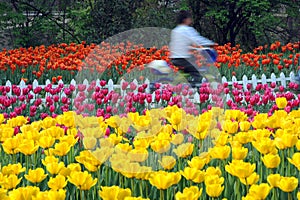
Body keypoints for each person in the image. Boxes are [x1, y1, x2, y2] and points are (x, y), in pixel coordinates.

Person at [169, 10, 217, 87]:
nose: (190, 20)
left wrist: (194, 49)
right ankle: (196, 88)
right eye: (189, 18)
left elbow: (181, 44)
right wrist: (211, 43)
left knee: (189, 70)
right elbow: (197, 39)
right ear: (185, 19)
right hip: (182, 59)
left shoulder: (175, 30)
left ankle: (186, 85)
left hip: (174, 59)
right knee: (197, 72)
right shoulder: (187, 30)